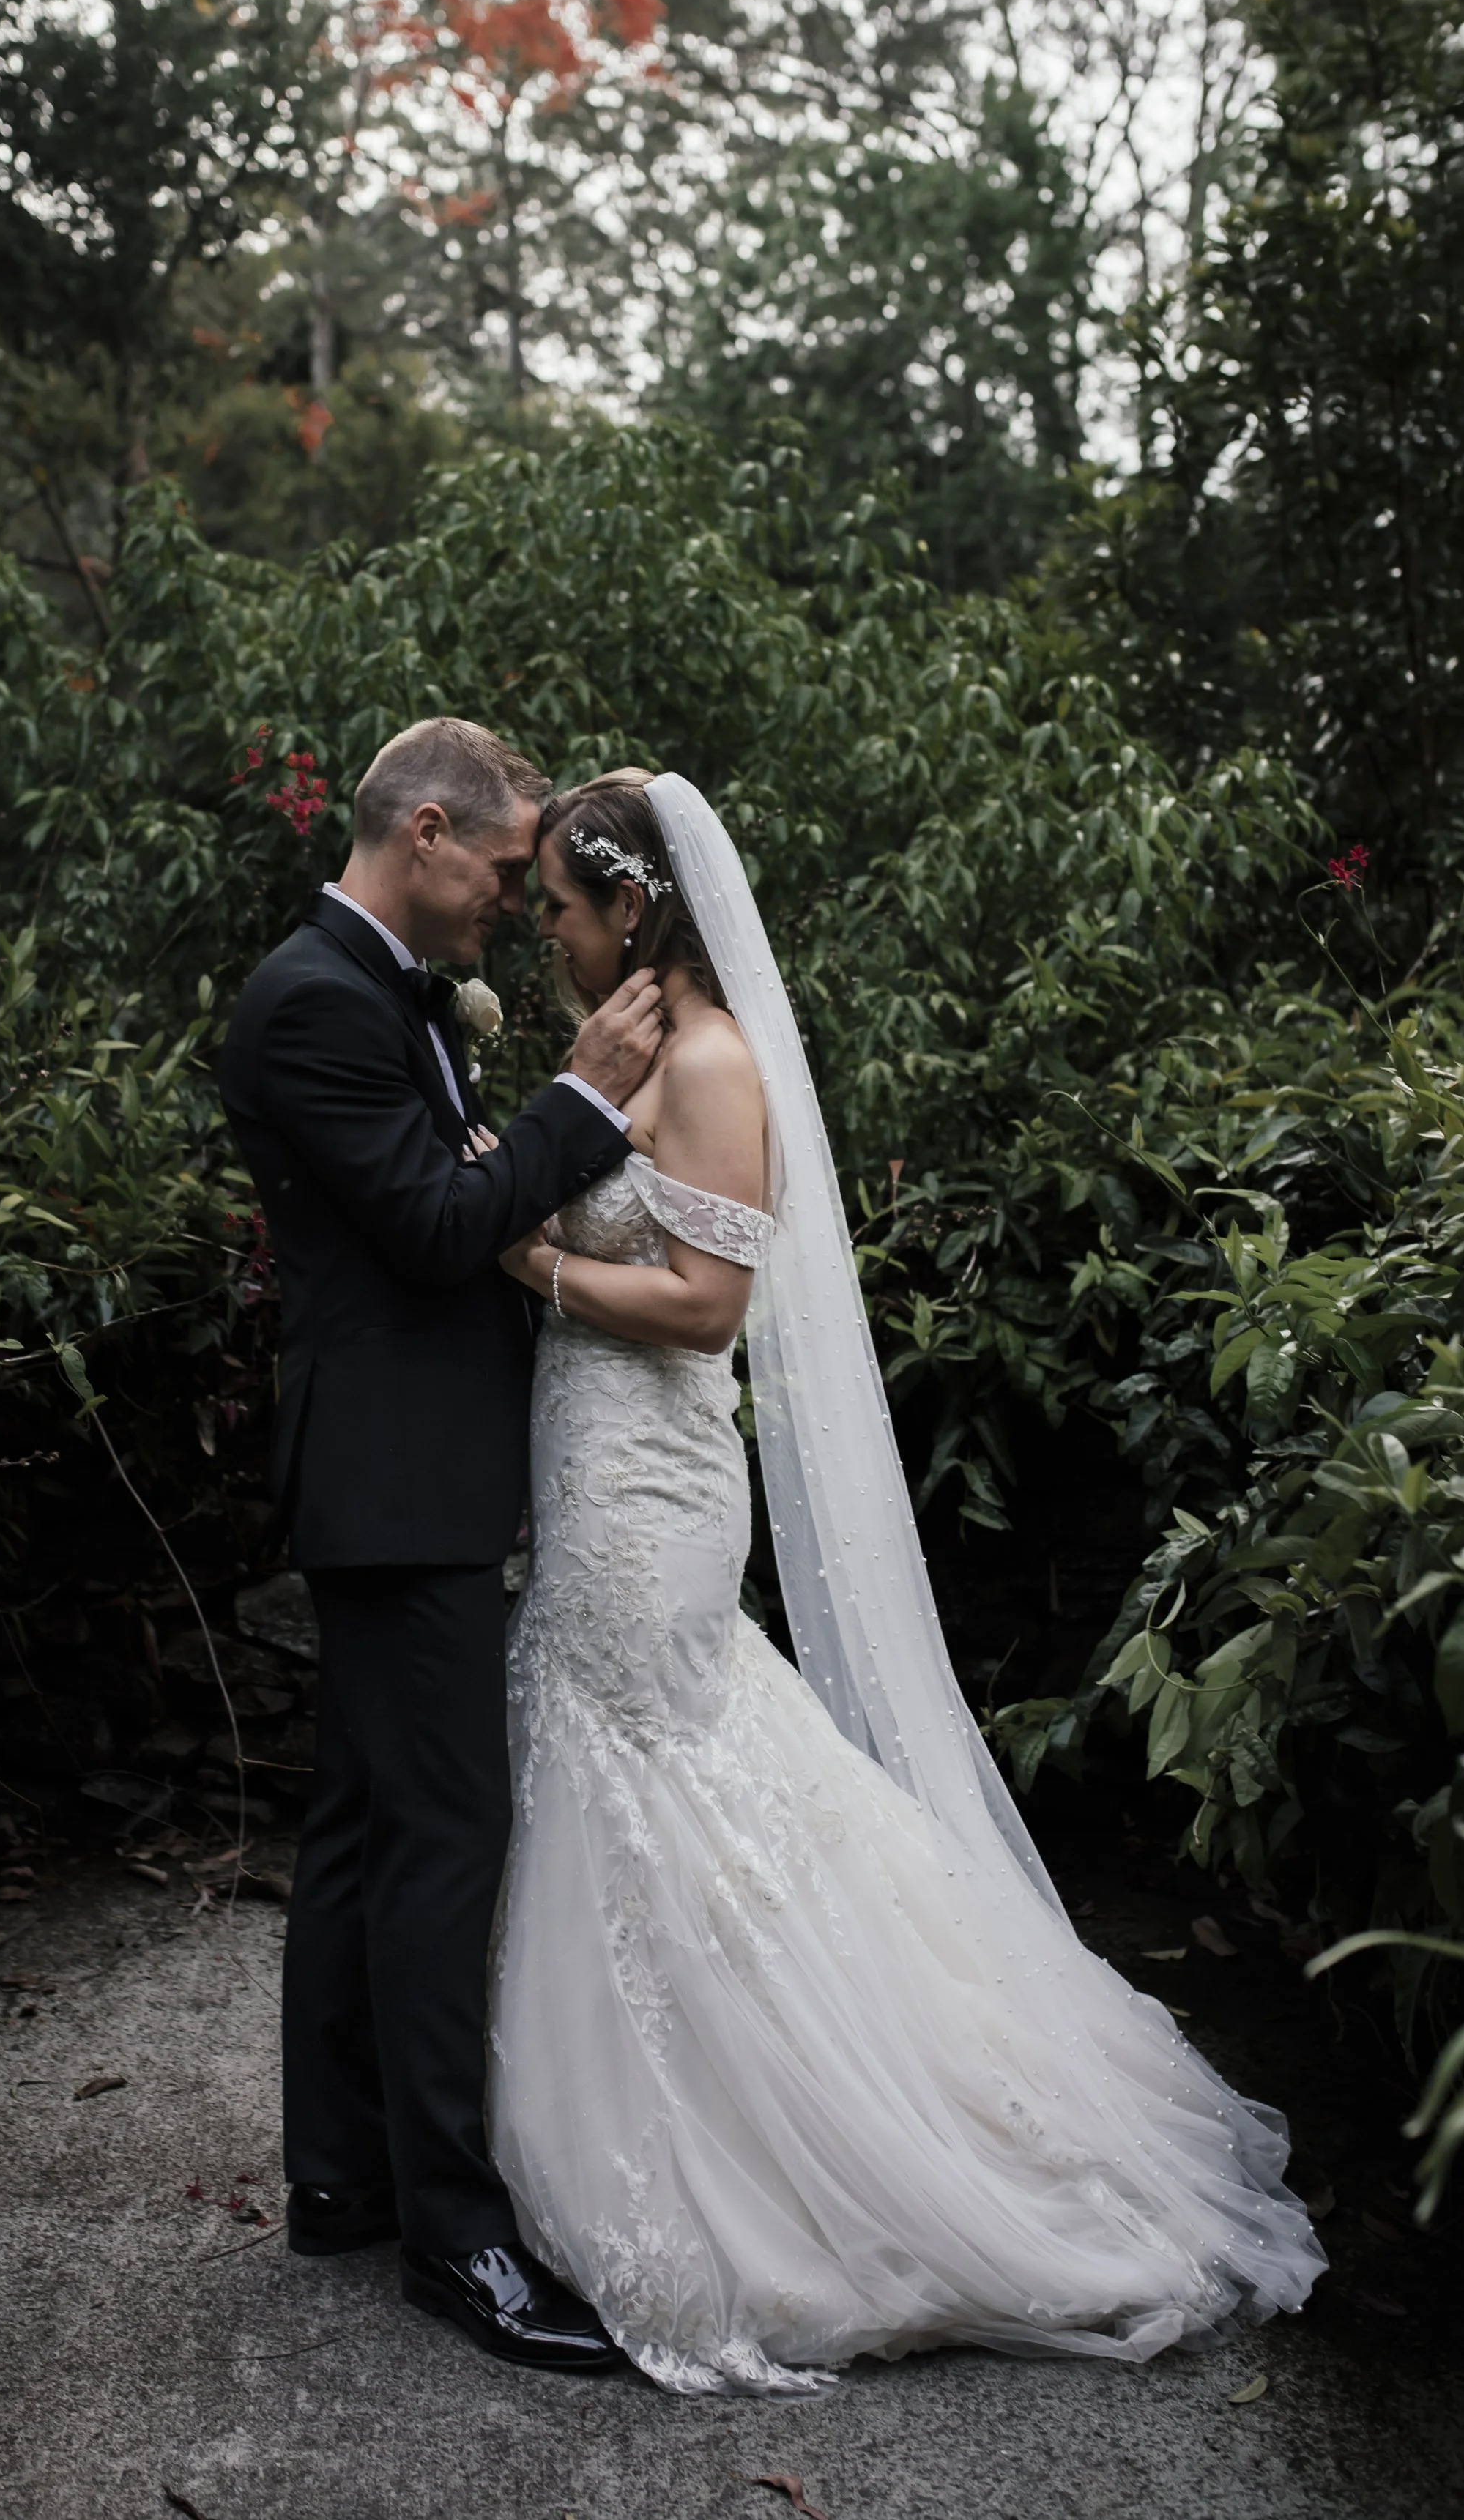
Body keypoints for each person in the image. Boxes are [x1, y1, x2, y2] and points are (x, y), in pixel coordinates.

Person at [486, 766, 1327, 2395]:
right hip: (589, 1464)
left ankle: (810, 2153)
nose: (552, 946)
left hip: (649, 1486)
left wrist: (521, 1250)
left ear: (632, 907)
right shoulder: (639, 1047)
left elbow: (704, 1305)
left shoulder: (713, 1061)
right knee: (633, 1765)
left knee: (665, 1766)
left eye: (566, 915)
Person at [220, 718, 661, 2374]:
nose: (503, 900)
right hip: (397, 1484)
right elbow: (427, 1225)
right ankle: (453, 2243)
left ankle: (343, 2179)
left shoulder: (372, 989)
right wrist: (580, 1101)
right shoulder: (316, 1001)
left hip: (402, 1472)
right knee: (444, 1844)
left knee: (358, 1833)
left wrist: (516, 1130)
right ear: (422, 833)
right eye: (491, 868)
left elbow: (438, 1183)